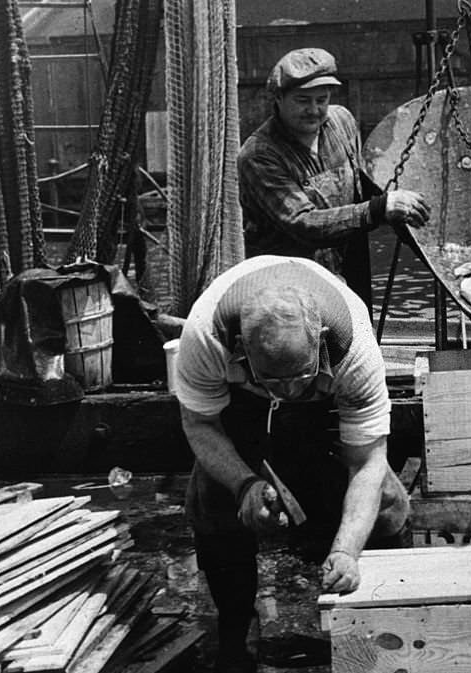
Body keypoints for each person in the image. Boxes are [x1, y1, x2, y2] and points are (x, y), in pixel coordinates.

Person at [174, 255, 411, 672]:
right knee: (211, 507)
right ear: (242, 347)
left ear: (319, 338)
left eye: (296, 376)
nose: (288, 389)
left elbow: (368, 461)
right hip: (239, 406)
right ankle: (234, 639)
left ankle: (385, 635)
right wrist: (244, 486)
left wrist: (347, 550)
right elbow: (199, 422)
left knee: (389, 507)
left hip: (325, 407)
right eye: (276, 380)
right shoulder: (205, 333)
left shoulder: (353, 345)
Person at [238, 47, 430, 311]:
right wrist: (379, 208)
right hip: (290, 285)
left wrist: (406, 217)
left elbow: (362, 185)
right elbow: (303, 223)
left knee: (359, 341)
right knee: (307, 348)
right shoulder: (259, 155)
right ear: (279, 98)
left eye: (322, 99)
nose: (314, 110)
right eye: (303, 100)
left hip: (348, 265)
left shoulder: (342, 121)